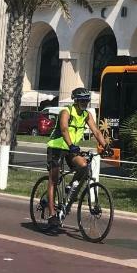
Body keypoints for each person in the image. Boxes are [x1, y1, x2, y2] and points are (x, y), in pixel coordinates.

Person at [45, 87, 108, 229]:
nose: (85, 103)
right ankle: (52, 214)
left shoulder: (86, 115)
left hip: (71, 149)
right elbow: (64, 129)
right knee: (54, 179)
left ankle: (70, 186)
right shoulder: (66, 111)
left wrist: (106, 146)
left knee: (84, 166)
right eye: (82, 100)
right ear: (76, 100)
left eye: (87, 100)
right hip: (57, 147)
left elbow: (96, 131)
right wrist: (71, 145)